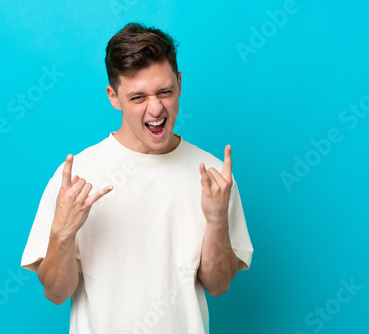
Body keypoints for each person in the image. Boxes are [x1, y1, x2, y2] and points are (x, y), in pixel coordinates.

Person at [21, 22, 253, 333]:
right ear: (114, 97)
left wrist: (216, 221)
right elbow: (56, 293)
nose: (156, 108)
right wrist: (62, 234)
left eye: (165, 92)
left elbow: (219, 285)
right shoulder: (77, 178)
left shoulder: (213, 178)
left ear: (180, 84)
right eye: (138, 97)